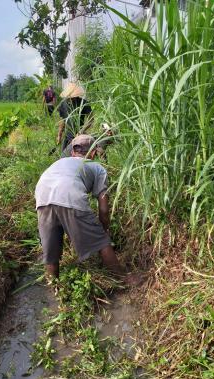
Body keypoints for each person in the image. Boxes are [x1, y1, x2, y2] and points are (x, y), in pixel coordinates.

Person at [35, 134, 135, 283]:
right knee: (101, 242)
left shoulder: (58, 163)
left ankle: (55, 290)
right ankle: (124, 279)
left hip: (42, 196)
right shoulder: (97, 167)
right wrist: (104, 231)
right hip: (69, 195)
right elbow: (104, 209)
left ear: (72, 152)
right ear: (93, 152)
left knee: (51, 254)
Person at [57, 83, 92, 152]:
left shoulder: (83, 103)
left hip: (80, 136)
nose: (70, 98)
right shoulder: (63, 104)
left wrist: (81, 131)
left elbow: (91, 119)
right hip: (68, 136)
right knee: (64, 156)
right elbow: (62, 120)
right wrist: (59, 135)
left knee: (78, 157)